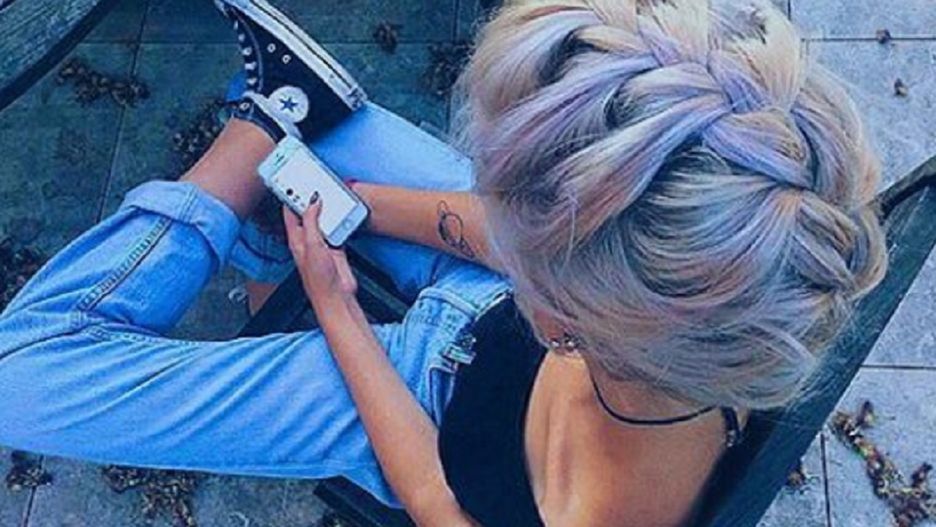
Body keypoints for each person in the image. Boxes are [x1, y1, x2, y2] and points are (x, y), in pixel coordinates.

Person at [0, 0, 887, 525]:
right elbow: (509, 234)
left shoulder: (600, 508)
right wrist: (354, 202)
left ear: (559, 316)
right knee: (308, 135)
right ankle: (273, 152)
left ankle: (259, 136)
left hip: (417, 395)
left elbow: (432, 498)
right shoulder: (738, 266)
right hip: (507, 299)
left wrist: (337, 308)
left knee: (19, 375)